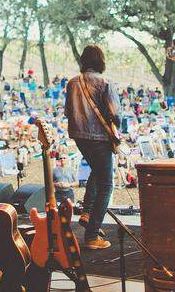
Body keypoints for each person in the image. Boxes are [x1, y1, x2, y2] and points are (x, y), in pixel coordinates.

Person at [64, 44, 120, 250]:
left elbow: (68, 111)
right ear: (101, 61)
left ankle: (87, 212)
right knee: (107, 184)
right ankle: (92, 235)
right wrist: (118, 129)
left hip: (79, 136)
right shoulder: (105, 82)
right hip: (99, 137)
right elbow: (115, 114)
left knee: (97, 171)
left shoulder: (72, 83)